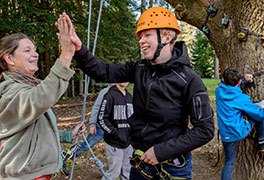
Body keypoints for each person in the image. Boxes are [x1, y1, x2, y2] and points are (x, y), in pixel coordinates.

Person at [57, 6, 215, 179]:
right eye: (140, 36)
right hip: (140, 163)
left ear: (167, 37)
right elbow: (103, 71)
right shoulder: (140, 68)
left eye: (147, 35)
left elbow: (205, 130)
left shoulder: (189, 80)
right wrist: (79, 50)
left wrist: (161, 151)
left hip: (172, 168)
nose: (141, 41)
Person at [0, 17, 85, 179]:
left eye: (35, 49)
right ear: (9, 59)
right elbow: (39, 98)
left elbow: (33, 130)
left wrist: (67, 135)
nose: (35, 54)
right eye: (27, 50)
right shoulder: (7, 92)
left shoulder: (26, 87)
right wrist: (66, 54)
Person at [215, 67, 264, 180]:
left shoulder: (218, 91)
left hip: (225, 134)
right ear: (238, 82)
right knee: (259, 112)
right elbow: (260, 115)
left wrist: (243, 79)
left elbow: (229, 86)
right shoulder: (241, 98)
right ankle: (262, 141)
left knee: (229, 163)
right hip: (239, 131)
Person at [97, 82, 133, 180]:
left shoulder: (129, 96)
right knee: (113, 174)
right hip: (114, 143)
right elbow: (101, 118)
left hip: (128, 143)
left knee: (127, 173)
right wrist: (114, 133)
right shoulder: (109, 95)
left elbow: (134, 118)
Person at [77, 84, 113, 154]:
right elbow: (96, 107)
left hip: (115, 129)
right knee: (87, 145)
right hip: (101, 127)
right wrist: (92, 124)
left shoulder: (124, 93)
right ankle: (69, 156)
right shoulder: (105, 92)